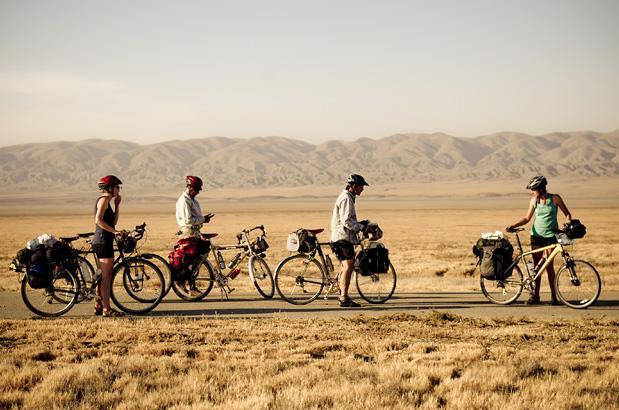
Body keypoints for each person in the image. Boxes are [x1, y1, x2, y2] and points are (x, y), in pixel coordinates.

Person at [506, 175, 572, 305]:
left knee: (549, 267)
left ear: (541, 189)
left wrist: (567, 223)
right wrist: (514, 225)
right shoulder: (533, 200)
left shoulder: (555, 199)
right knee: (537, 267)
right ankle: (535, 296)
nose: (532, 192)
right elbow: (527, 218)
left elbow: (567, 214)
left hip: (551, 237)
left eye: (534, 189)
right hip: (536, 236)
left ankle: (554, 297)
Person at [330, 174, 369, 308]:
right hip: (342, 238)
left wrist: (358, 224)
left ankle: (342, 293)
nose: (362, 189)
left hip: (342, 237)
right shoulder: (346, 198)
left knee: (345, 265)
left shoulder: (348, 197)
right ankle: (344, 297)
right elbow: (346, 221)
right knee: (349, 265)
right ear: (354, 186)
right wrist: (360, 227)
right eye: (361, 186)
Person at [175, 176, 214, 296]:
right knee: (192, 259)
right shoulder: (184, 201)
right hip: (188, 232)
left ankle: (191, 284)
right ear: (190, 188)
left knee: (199, 258)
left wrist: (203, 220)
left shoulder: (193, 200)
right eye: (196, 189)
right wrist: (203, 219)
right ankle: (184, 282)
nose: (197, 192)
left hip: (195, 231)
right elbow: (188, 220)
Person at [93, 175, 125, 317]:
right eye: (117, 187)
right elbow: (98, 220)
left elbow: (114, 222)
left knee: (101, 277)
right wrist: (114, 232)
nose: (119, 190)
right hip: (103, 242)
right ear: (111, 188)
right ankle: (107, 309)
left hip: (103, 241)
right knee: (106, 278)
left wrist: (117, 205)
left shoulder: (109, 201)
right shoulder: (104, 200)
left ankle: (98, 305)